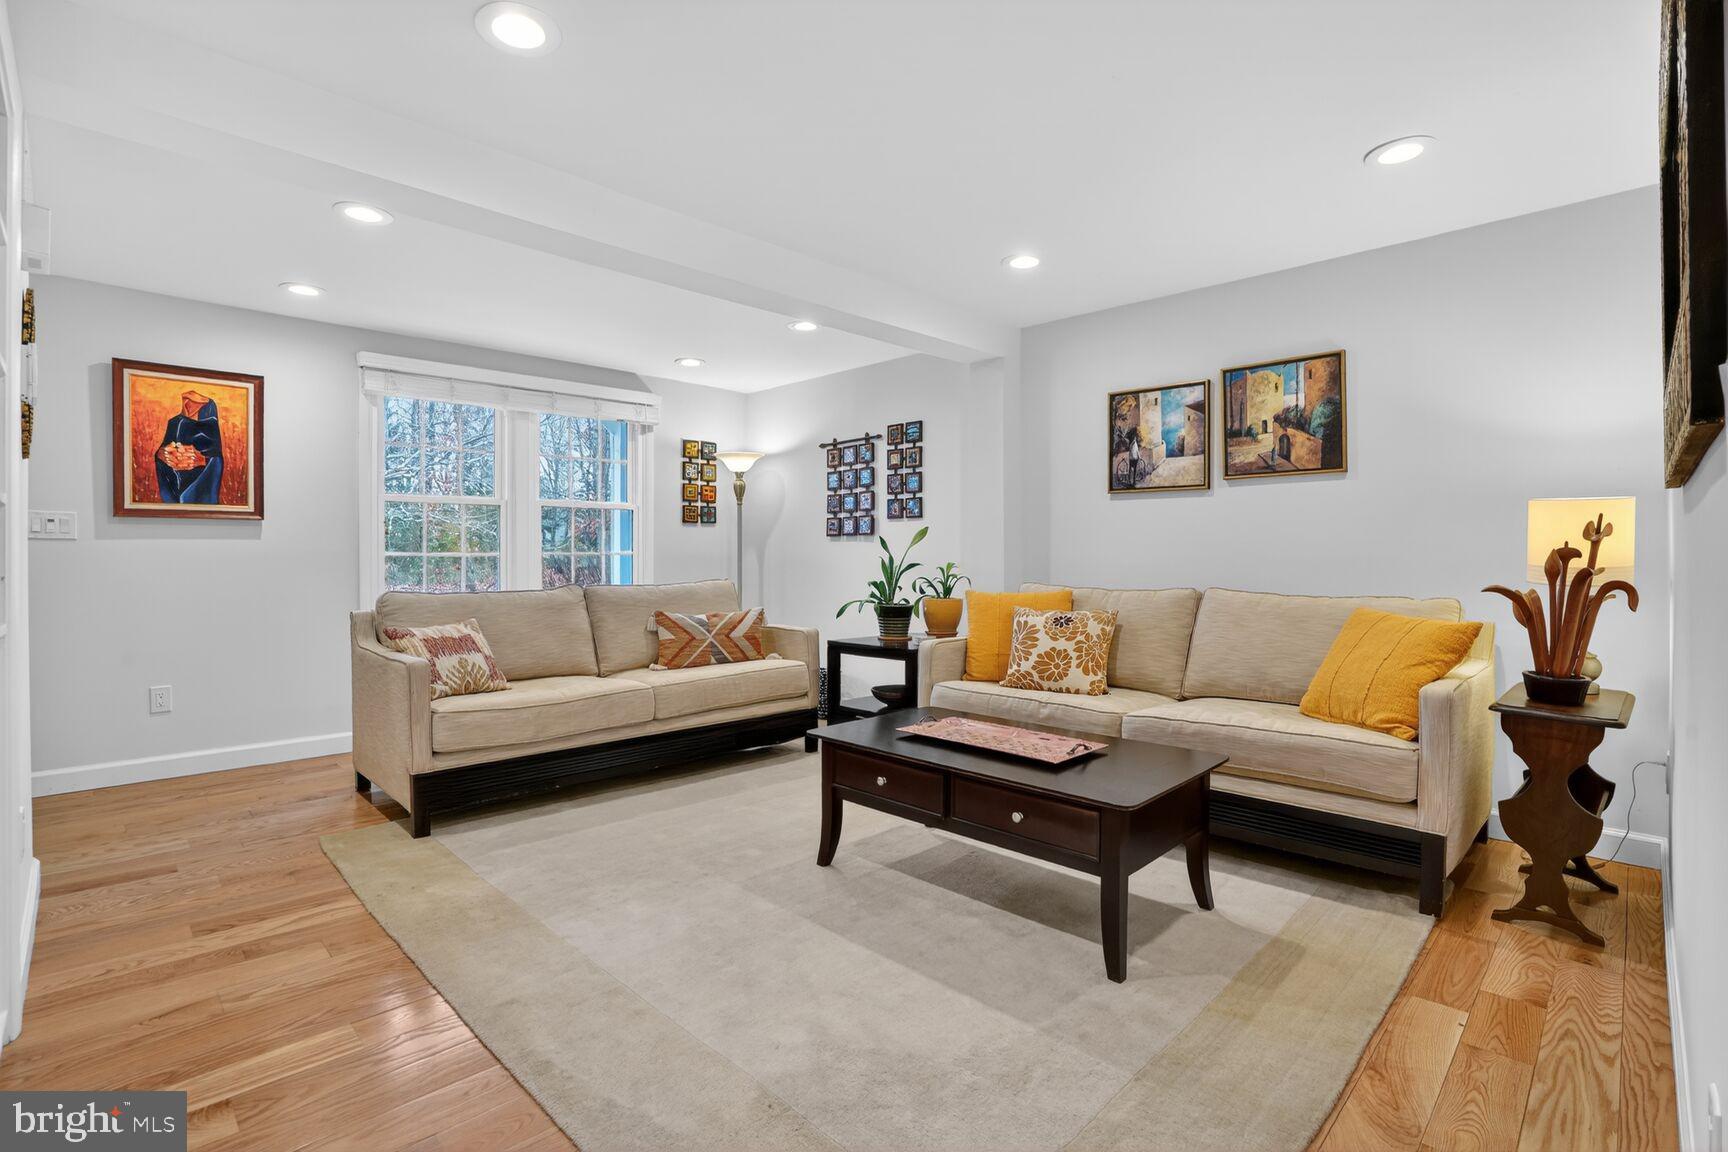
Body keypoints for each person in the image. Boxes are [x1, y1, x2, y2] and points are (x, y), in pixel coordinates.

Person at [155, 389, 225, 503]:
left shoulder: (209, 425)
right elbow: (162, 453)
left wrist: (202, 460)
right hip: (173, 486)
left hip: (199, 491)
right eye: (186, 400)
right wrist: (162, 455)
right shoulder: (174, 423)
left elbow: (216, 458)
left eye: (193, 402)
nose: (187, 404)